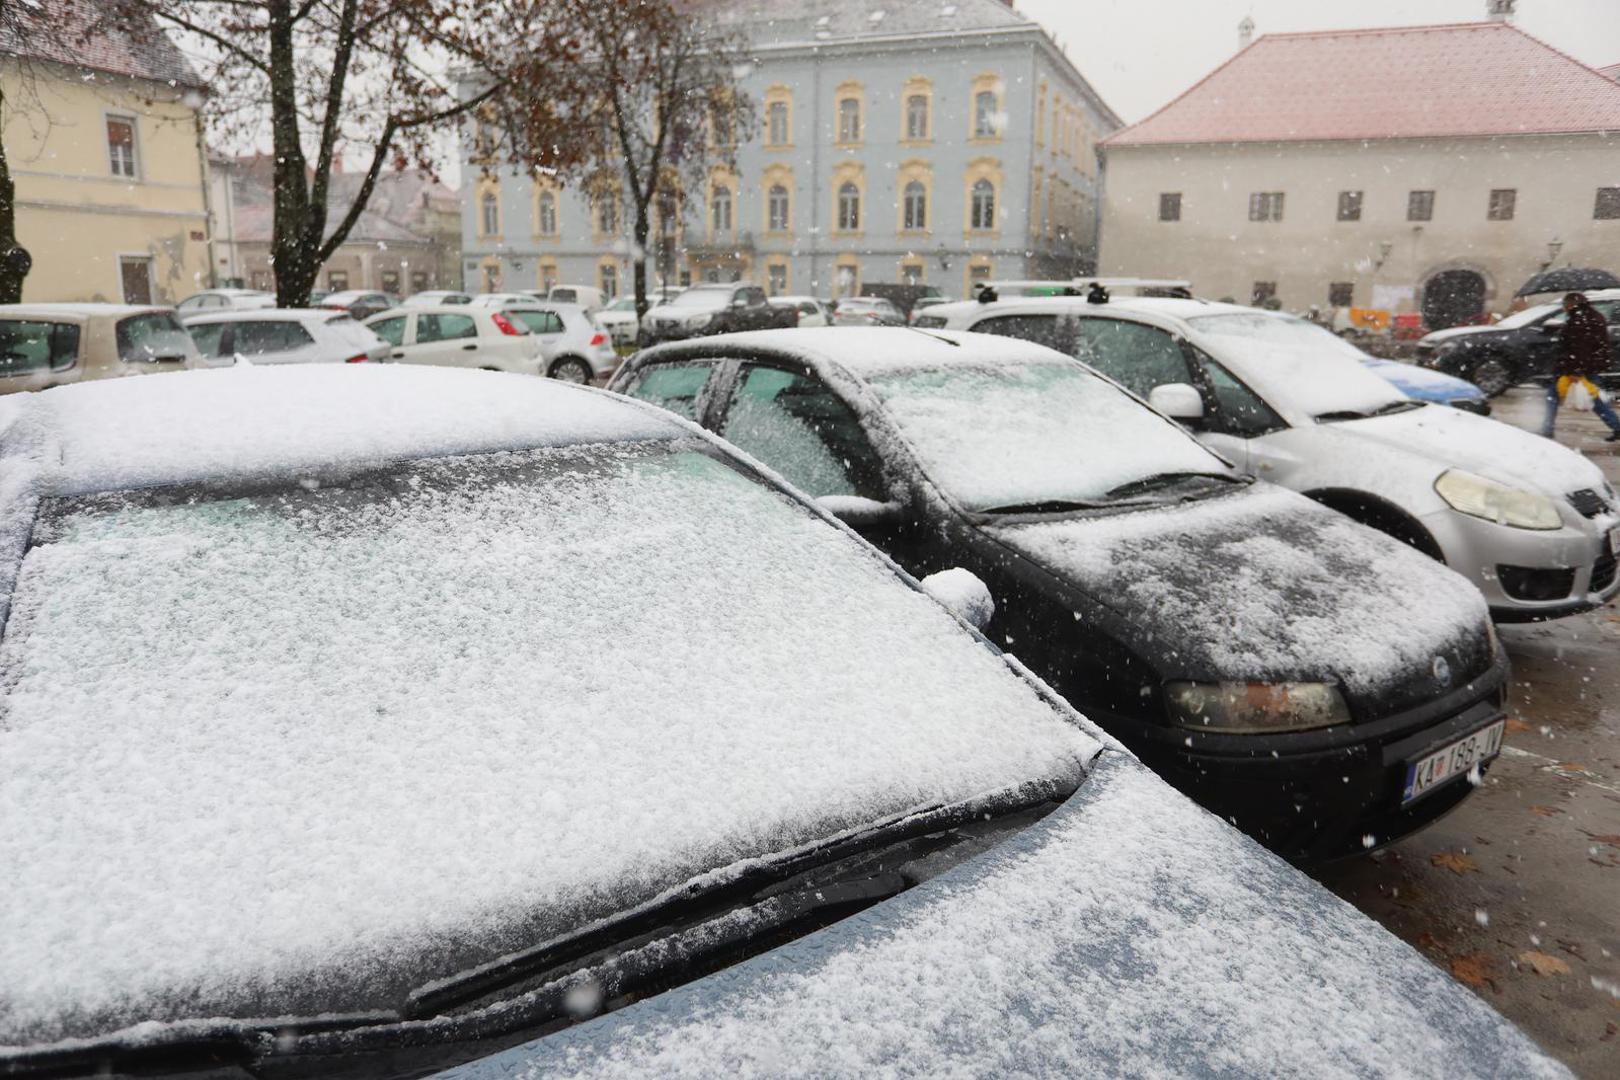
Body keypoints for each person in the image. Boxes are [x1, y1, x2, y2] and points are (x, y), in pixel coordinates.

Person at [1541, 292, 1620, 442]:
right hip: (1586, 366)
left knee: (1553, 397)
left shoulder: (1580, 321)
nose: (1564, 309)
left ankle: (1547, 429)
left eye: (1565, 306)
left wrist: (1576, 371)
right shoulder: (1592, 316)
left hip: (1575, 367)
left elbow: (1581, 348)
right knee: (1594, 399)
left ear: (1571, 305)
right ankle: (1617, 426)